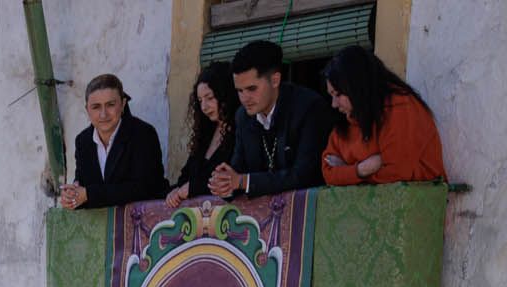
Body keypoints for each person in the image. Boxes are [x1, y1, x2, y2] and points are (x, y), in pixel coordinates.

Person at [212, 39, 330, 196]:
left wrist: (243, 181)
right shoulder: (243, 116)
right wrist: (224, 183)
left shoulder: (308, 107)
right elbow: (238, 170)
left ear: (275, 80)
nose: (244, 98)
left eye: (251, 88)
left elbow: (303, 175)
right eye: (239, 91)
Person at [319, 44, 445, 185]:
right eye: (331, 95)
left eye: (338, 94)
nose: (334, 104)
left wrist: (347, 172)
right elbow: (328, 172)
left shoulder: (399, 107)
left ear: (358, 87)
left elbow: (397, 172)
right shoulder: (348, 120)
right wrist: (362, 169)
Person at [57, 74, 166, 209]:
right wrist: (73, 195)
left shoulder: (143, 134)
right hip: (104, 227)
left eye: (110, 105)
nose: (103, 114)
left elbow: (144, 188)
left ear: (123, 104)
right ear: (87, 110)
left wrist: (89, 194)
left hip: (143, 224)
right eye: (96, 107)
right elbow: (83, 184)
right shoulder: (83, 141)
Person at [167, 62, 242, 202]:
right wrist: (175, 191)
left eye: (210, 98)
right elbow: (185, 177)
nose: (204, 107)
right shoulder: (205, 134)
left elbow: (234, 177)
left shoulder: (241, 131)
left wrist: (194, 188)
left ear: (224, 94)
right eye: (200, 100)